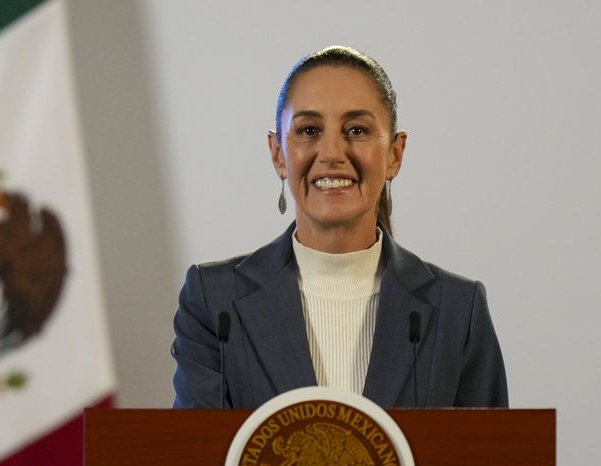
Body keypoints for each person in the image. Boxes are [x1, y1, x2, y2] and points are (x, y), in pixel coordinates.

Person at [171, 46, 507, 409]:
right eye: (309, 129)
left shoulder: (458, 309)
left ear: (395, 154)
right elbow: (195, 460)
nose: (332, 153)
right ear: (278, 154)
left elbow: (488, 462)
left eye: (357, 130)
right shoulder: (215, 302)